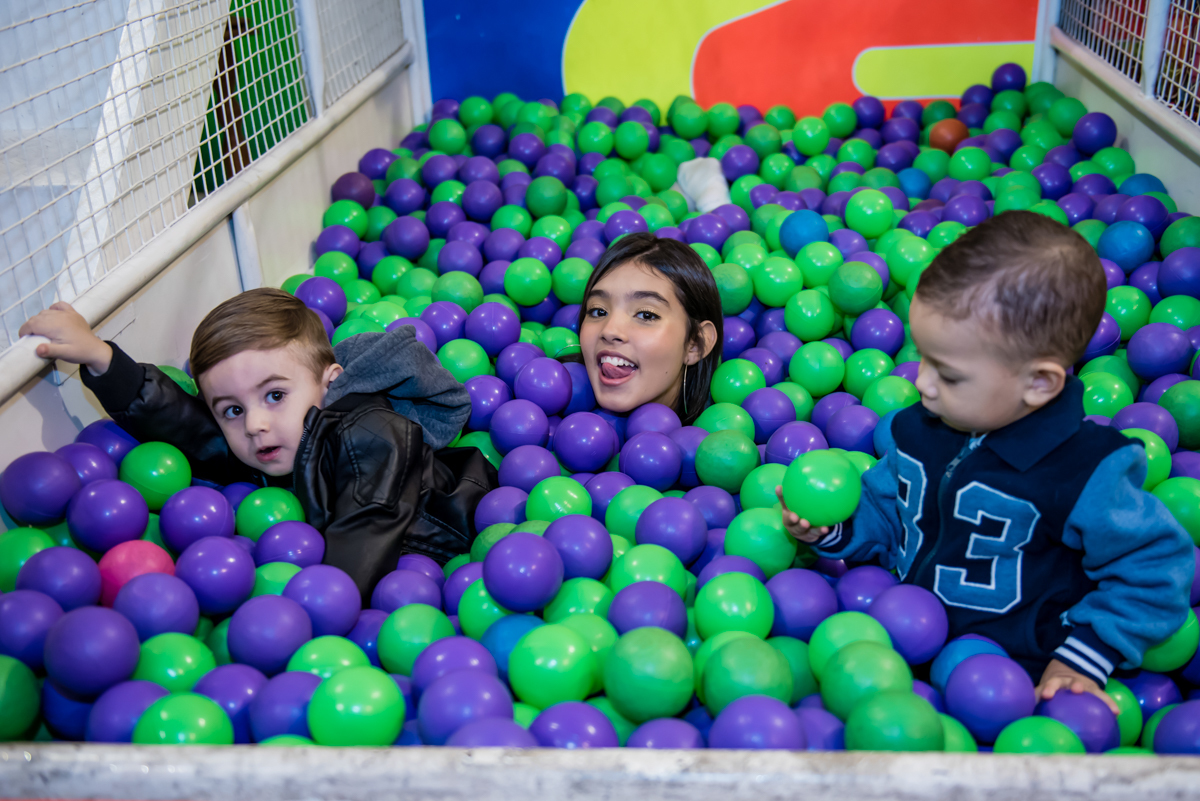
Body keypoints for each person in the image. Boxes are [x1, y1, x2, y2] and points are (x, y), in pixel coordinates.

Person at [779, 211, 1193, 714]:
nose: (921, 383)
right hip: (895, 641)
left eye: (949, 374)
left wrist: (1085, 655)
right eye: (923, 357)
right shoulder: (918, 430)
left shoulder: (1085, 471)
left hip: (1021, 677)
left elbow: (1158, 566)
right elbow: (888, 512)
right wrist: (831, 530)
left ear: (1038, 383)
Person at [19, 288, 496, 599]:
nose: (255, 424)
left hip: (444, 542)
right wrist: (103, 360)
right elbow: (195, 432)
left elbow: (368, 528)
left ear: (329, 382)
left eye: (275, 395)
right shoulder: (279, 439)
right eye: (232, 409)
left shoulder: (369, 434)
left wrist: (315, 609)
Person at [576, 232, 723, 426]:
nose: (609, 331)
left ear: (695, 343)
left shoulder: (717, 432)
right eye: (598, 311)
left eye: (646, 315)